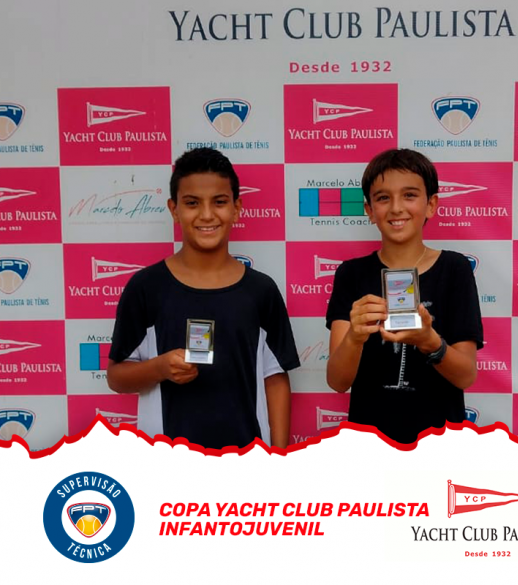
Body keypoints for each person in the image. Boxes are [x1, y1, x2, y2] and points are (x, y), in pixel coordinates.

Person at [107, 148, 299, 449]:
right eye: (192, 203)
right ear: (174, 209)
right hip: (167, 464)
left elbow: (275, 378)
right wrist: (160, 368)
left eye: (219, 202)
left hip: (247, 462)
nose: (207, 214)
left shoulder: (261, 290)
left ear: (236, 208)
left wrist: (278, 457)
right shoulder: (145, 287)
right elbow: (116, 377)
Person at [326, 148, 483, 444]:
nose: (396, 208)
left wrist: (430, 342)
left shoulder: (455, 269)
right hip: (370, 443)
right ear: (369, 210)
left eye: (409, 195)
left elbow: (466, 376)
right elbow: (337, 381)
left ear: (431, 204)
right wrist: (354, 338)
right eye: (383, 198)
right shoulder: (351, 274)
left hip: (439, 443)